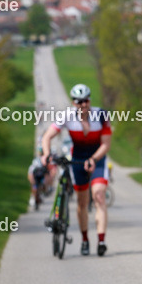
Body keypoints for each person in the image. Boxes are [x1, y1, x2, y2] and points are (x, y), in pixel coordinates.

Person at [41, 83, 112, 256]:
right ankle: (85, 240)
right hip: (78, 160)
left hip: (98, 159)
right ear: (73, 102)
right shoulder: (66, 116)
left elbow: (106, 144)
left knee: (99, 195)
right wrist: (46, 154)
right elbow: (47, 136)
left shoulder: (101, 115)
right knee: (81, 202)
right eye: (78, 101)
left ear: (90, 100)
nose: (83, 104)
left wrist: (94, 159)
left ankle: (101, 240)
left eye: (85, 100)